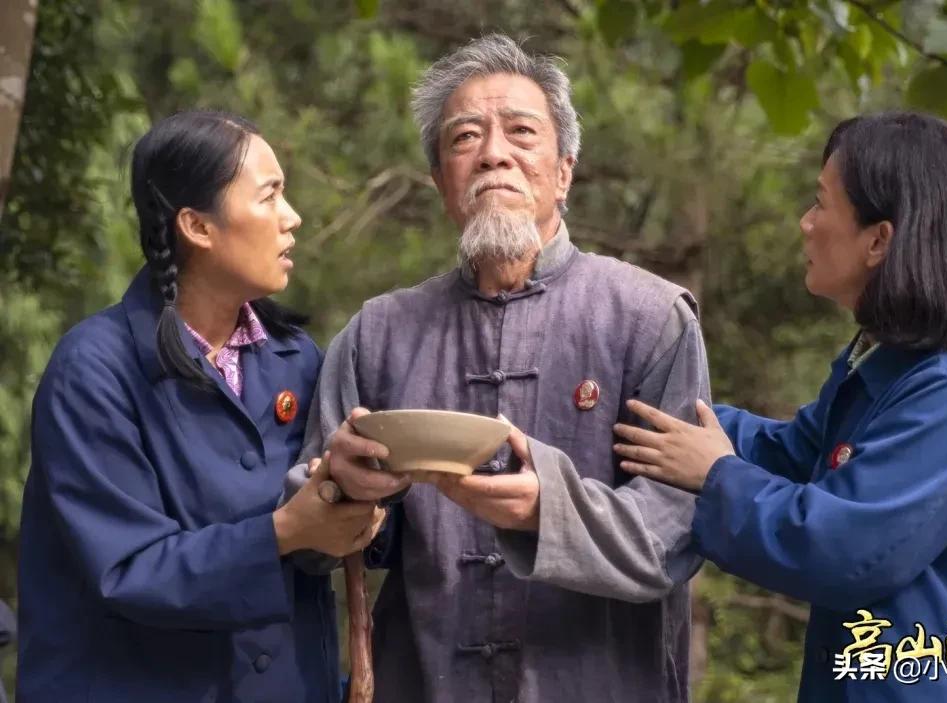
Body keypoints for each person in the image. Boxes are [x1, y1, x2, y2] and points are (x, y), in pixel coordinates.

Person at [289, 34, 709, 702]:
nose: (493, 154)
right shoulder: (379, 332)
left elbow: (678, 529)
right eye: (464, 138)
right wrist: (344, 492)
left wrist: (549, 509)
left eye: (521, 132)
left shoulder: (648, 317)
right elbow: (309, 542)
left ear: (564, 170)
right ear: (440, 181)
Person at [613, 112, 947, 702]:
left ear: (879, 240)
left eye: (821, 204)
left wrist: (714, 475)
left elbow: (846, 549)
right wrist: (653, 409)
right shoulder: (888, 365)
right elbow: (791, 453)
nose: (805, 224)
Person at [17, 110, 383, 703]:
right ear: (197, 226)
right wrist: (284, 531)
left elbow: (325, 536)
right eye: (270, 197)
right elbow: (129, 570)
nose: (293, 219)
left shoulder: (295, 359)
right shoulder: (92, 372)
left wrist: (360, 493)